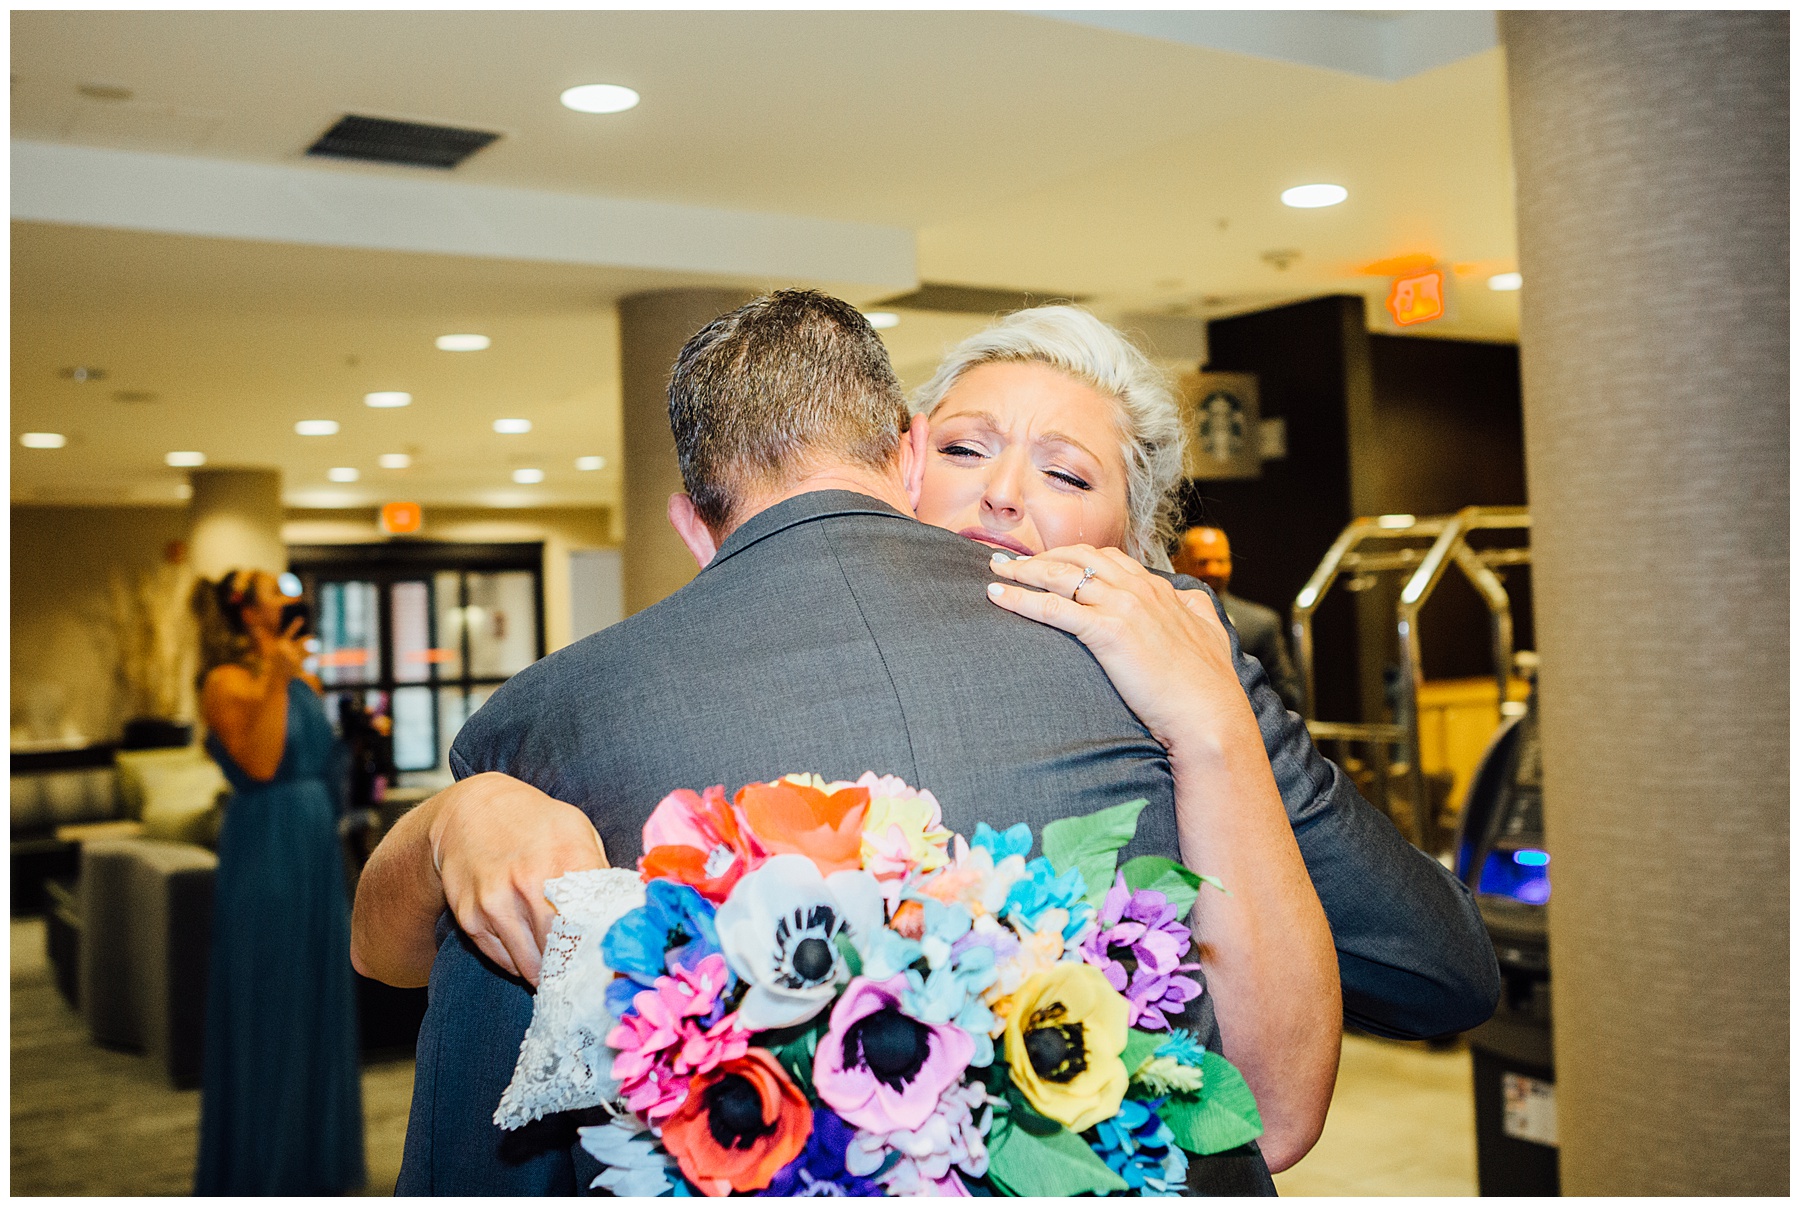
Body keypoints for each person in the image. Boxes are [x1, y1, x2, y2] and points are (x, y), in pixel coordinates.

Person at [354, 295, 1498, 1193]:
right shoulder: (641, 699)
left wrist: (1213, 726)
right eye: (966, 450)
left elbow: (1432, 969)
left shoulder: (1185, 675)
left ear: (1135, 548)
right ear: (899, 464)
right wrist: (460, 813)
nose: (1002, 496)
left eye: (1063, 473)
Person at [192, 570, 365, 1195]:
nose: (285, 596)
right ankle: (263, 1169)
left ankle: (317, 1164)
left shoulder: (303, 675)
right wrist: (277, 675)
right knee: (272, 998)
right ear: (245, 612)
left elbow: (326, 764)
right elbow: (262, 762)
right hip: (265, 850)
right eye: (270, 588)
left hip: (315, 847)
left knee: (318, 996)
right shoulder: (226, 682)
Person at [1171, 526, 1307, 714]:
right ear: (1176, 562)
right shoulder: (1161, 613)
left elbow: (1285, 693)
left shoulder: (1260, 623)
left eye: (1221, 561)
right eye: (1202, 562)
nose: (1213, 570)